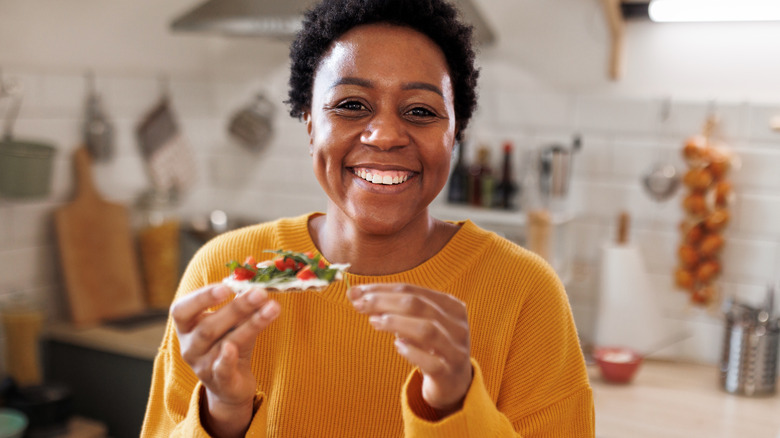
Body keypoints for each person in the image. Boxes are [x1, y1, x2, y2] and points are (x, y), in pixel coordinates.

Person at [141, 0, 595, 436]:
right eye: (352, 105)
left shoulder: (525, 294)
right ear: (309, 123)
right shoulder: (224, 274)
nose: (384, 136)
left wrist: (456, 406)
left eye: (420, 111)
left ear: (455, 133)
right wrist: (223, 414)